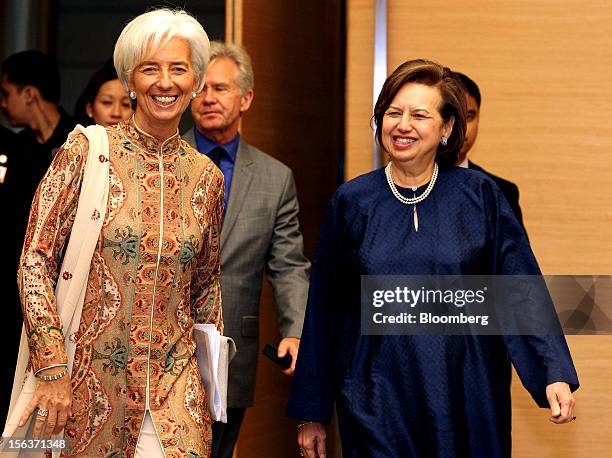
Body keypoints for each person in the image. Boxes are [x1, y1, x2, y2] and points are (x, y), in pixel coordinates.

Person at [286, 59, 579, 458]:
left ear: (446, 129)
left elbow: (518, 288)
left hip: (466, 393)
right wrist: (311, 412)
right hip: (375, 398)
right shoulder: (352, 203)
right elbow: (323, 311)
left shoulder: (480, 196)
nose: (402, 125)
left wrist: (552, 372)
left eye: (419, 115)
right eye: (393, 113)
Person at [13, 9, 223, 456]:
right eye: (150, 69)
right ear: (130, 80)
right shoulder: (86, 151)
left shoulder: (207, 177)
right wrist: (51, 364)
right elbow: (35, 259)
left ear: (196, 81)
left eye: (178, 69)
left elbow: (205, 288)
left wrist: (211, 386)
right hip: (85, 385)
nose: (165, 82)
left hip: (175, 387)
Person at [183, 41, 310, 457]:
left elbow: (289, 265)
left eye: (220, 88)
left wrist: (294, 330)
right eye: (200, 88)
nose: (207, 98)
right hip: (161, 343)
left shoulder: (275, 178)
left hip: (231, 349)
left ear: (246, 98)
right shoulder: (166, 160)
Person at [454, 71, 525, 230]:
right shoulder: (408, 185)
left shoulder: (501, 192)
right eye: (454, 116)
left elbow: (516, 255)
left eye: (469, 117)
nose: (462, 128)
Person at [74, 59, 132, 127]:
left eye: (126, 104)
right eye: (107, 102)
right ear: (89, 109)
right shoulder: (74, 137)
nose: (116, 113)